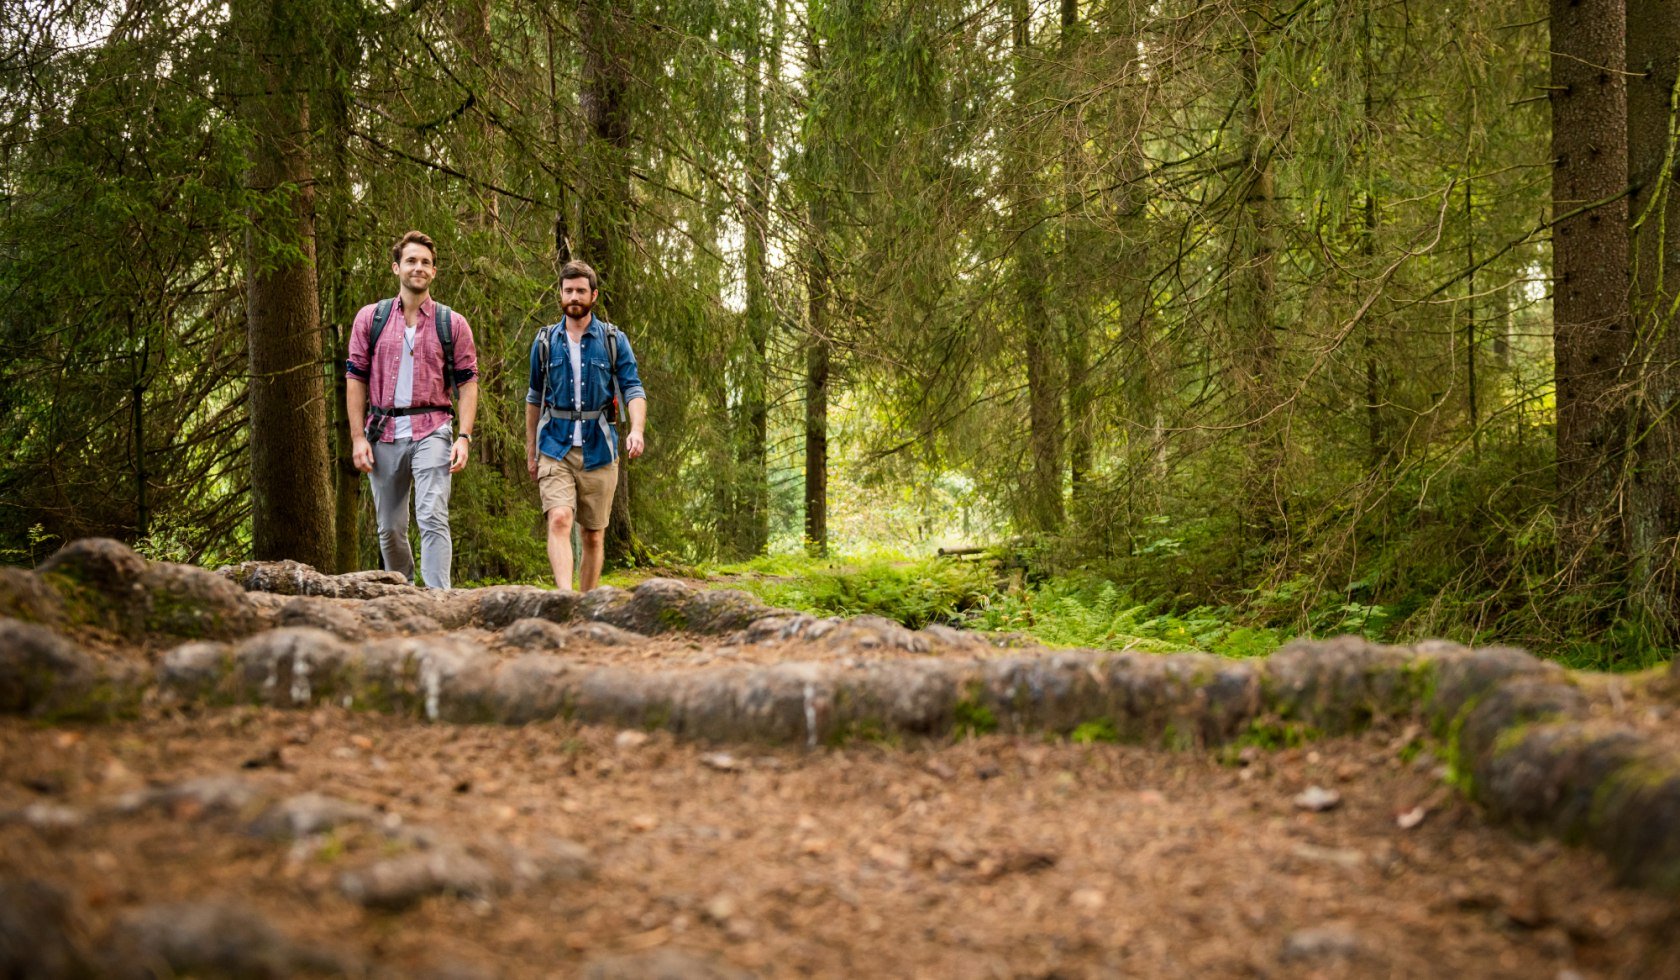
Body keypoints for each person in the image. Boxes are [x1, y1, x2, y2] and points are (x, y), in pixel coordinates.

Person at [345, 230, 479, 589]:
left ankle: (438, 601)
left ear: (434, 272)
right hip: (383, 432)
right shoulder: (370, 319)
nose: (418, 268)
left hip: (433, 428)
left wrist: (463, 436)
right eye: (411, 261)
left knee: (432, 515)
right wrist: (358, 438)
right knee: (389, 529)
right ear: (396, 268)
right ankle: (402, 592)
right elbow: (355, 377)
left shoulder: (452, 323)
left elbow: (468, 383)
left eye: (425, 263)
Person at [525, 259, 647, 591]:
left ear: (593, 295)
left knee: (592, 534)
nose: (574, 296)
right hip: (555, 446)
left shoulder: (612, 340)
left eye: (581, 290)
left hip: (600, 448)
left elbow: (632, 387)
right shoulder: (545, 342)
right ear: (560, 295)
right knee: (560, 519)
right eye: (568, 290)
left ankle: (586, 601)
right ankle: (565, 599)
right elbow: (534, 397)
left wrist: (636, 429)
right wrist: (531, 451)